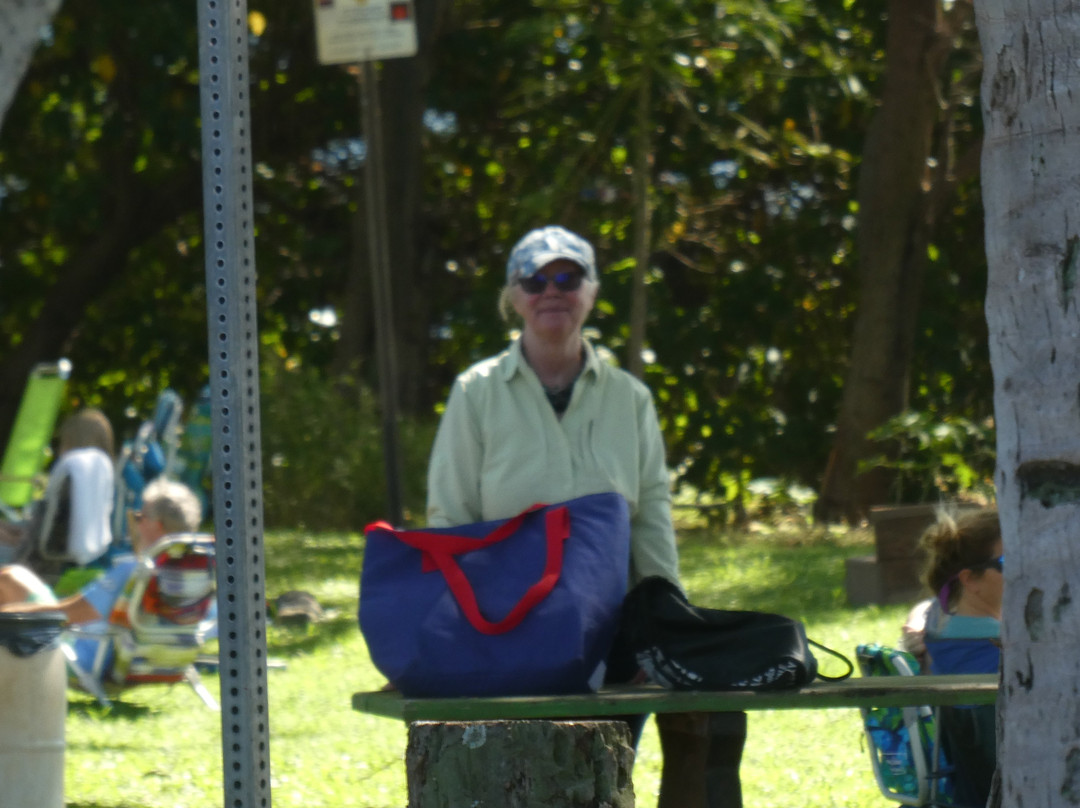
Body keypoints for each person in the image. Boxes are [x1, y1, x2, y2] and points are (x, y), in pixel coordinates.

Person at [425, 224, 745, 807]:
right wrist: (462, 633)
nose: (552, 290)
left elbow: (651, 520)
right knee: (518, 788)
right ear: (513, 296)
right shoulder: (476, 392)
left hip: (612, 633)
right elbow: (450, 518)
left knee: (601, 787)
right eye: (534, 279)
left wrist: (662, 628)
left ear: (592, 291)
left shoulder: (630, 398)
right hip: (505, 629)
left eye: (568, 276)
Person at [0, 478, 203, 680]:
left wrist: (8, 614)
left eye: (140, 517)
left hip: (82, 658)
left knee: (9, 579)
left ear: (156, 525)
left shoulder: (135, 570)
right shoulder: (193, 574)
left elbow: (67, 614)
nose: (136, 524)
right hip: (152, 662)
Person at [917, 507, 1002, 807]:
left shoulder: (943, 625)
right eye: (1009, 562)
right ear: (970, 580)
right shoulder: (993, 651)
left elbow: (931, 603)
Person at [0, 408, 116, 579]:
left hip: (34, 565)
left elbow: (44, 541)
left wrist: (12, 536)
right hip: (58, 562)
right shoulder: (99, 477)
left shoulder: (69, 477)